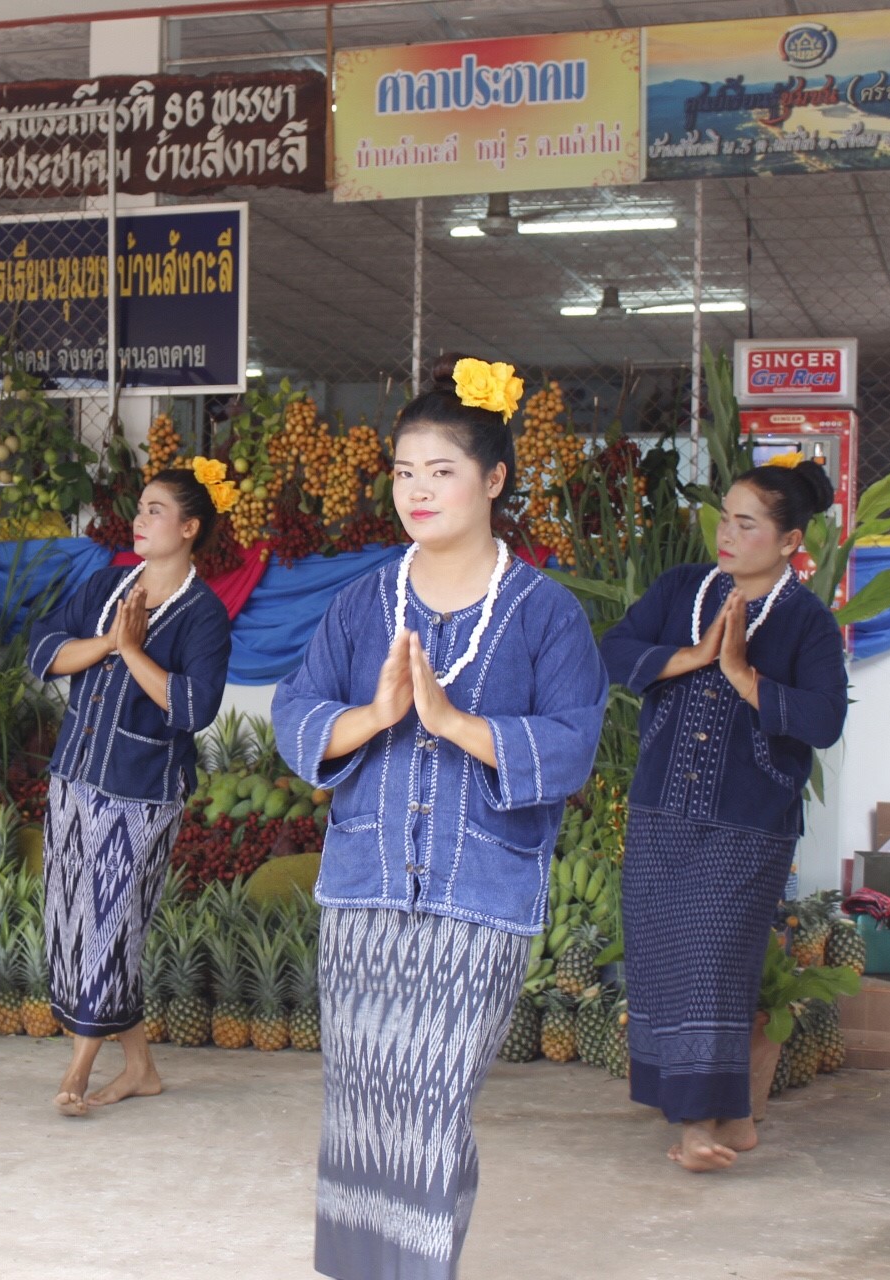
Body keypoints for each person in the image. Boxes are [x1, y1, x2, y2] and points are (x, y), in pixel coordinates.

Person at [272, 355, 606, 1280]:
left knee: (430, 1101)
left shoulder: (546, 615)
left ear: (494, 479)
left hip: (480, 898)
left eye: (441, 471)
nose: (416, 491)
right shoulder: (360, 604)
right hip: (365, 890)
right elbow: (295, 714)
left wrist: (455, 724)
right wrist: (376, 717)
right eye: (403, 471)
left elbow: (573, 741)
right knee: (363, 1101)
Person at [599, 456, 847, 1174]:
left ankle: (698, 1125)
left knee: (713, 964)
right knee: (662, 959)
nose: (728, 534)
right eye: (725, 517)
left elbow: (825, 720)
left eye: (747, 523)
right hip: (660, 813)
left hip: (746, 823)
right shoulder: (684, 589)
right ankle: (735, 1119)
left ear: (788, 538)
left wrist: (742, 676)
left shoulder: (806, 622)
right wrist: (693, 655)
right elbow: (614, 651)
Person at [28, 465, 234, 1117]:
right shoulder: (104, 585)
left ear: (189, 528)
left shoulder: (205, 617)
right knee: (69, 916)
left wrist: (134, 653)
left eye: (154, 511)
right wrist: (108, 644)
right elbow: (46, 651)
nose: (139, 521)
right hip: (74, 775)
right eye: (139, 510)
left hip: (141, 791)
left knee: (113, 920)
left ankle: (81, 1066)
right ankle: (140, 1068)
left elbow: (194, 707)